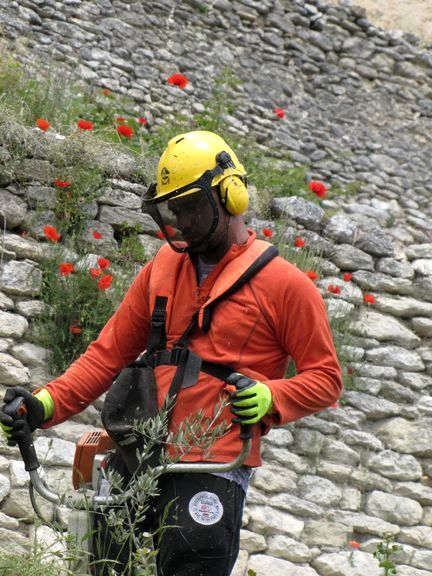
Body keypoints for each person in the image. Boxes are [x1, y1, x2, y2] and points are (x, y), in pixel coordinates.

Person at [1, 130, 342, 575]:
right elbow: (106, 356)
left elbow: (326, 378)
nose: (180, 222)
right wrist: (43, 404)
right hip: (139, 454)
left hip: (215, 465)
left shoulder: (286, 286)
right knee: (98, 560)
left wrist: (271, 399)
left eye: (190, 207)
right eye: (173, 210)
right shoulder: (162, 268)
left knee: (193, 554)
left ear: (229, 195)